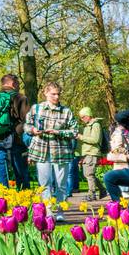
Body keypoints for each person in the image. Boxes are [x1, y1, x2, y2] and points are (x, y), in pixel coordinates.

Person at [25, 81, 78, 215]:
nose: (56, 97)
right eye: (53, 94)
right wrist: (32, 130)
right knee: (45, 183)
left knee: (61, 184)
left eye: (58, 94)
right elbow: (26, 125)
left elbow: (75, 131)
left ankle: (60, 212)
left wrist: (58, 132)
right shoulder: (36, 109)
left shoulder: (66, 111)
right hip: (41, 151)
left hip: (61, 152)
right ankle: (48, 212)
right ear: (45, 93)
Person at [0, 74, 31, 189]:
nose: (19, 86)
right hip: (14, 140)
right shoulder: (19, 97)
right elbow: (27, 120)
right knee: (20, 171)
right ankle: (24, 195)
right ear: (13, 84)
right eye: (18, 84)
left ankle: (3, 196)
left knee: (1, 170)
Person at [76, 106, 104, 200]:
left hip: (92, 153)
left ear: (88, 115)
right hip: (87, 153)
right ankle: (102, 190)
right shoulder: (87, 126)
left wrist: (81, 137)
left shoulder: (95, 125)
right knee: (88, 174)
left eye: (83, 117)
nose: (82, 119)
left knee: (89, 174)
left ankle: (92, 194)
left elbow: (95, 139)